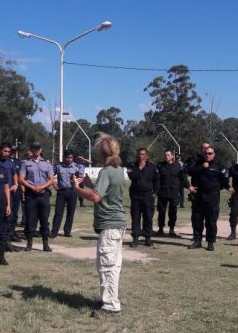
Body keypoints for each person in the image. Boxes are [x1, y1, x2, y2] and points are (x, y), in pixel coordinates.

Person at [73, 134, 126, 318]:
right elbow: (105, 192)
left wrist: (78, 189)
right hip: (118, 223)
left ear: (102, 153)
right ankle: (110, 299)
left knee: (106, 265)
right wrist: (90, 186)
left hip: (109, 225)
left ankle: (111, 306)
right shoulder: (118, 170)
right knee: (114, 265)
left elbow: (96, 197)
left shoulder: (105, 171)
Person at [187, 145, 229, 251]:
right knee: (197, 220)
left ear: (214, 155)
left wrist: (216, 188)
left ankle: (210, 242)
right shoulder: (197, 164)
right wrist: (202, 167)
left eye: (210, 153)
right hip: (198, 197)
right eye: (206, 153)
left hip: (212, 197)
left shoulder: (219, 166)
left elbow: (224, 180)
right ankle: (197, 241)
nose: (207, 155)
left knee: (211, 221)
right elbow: (189, 171)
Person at [19, 142, 54, 252]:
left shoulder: (47, 164)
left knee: (44, 219)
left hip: (43, 194)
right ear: (31, 150)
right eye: (34, 148)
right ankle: (29, 243)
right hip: (31, 194)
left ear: (41, 149)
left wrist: (42, 187)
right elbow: (21, 179)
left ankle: (45, 243)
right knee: (30, 219)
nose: (36, 150)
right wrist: (32, 187)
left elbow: (51, 179)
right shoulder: (26, 164)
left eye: (38, 148)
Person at [127, 148, 159, 247]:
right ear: (137, 155)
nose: (141, 156)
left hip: (148, 196)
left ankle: (148, 238)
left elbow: (157, 181)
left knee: (148, 217)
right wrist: (139, 168)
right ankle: (135, 238)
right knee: (135, 217)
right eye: (139, 154)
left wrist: (155, 193)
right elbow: (132, 177)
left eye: (143, 154)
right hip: (136, 196)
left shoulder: (152, 167)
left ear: (147, 156)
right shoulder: (132, 166)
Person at [51, 149, 84, 238]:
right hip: (61, 192)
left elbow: (81, 178)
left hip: (72, 191)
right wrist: (54, 185)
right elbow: (50, 175)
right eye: (67, 157)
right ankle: (54, 232)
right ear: (64, 157)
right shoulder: (58, 166)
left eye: (71, 157)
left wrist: (77, 181)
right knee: (58, 212)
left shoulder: (76, 166)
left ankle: (67, 231)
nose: (69, 159)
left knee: (70, 212)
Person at [156, 150, 188, 238]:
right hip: (162, 192)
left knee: (173, 212)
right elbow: (156, 179)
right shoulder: (160, 166)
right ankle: (160, 229)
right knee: (161, 212)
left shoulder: (178, 166)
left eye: (168, 155)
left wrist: (189, 186)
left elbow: (183, 178)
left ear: (172, 156)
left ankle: (171, 230)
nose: (166, 156)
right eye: (165, 155)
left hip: (173, 192)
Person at [0, 143, 21, 247]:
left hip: (10, 193)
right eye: (5, 151)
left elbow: (15, 174)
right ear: (0, 151)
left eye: (8, 152)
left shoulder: (10, 163)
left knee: (9, 216)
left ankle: (7, 241)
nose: (7, 153)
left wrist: (16, 184)